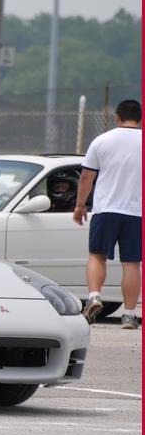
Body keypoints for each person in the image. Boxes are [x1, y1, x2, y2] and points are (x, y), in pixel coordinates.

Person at [73, 99, 142, 329]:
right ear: (140, 118)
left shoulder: (101, 141)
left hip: (106, 210)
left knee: (97, 256)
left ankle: (94, 297)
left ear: (117, 117)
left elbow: (86, 177)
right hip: (136, 212)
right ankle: (130, 315)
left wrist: (80, 205)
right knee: (132, 263)